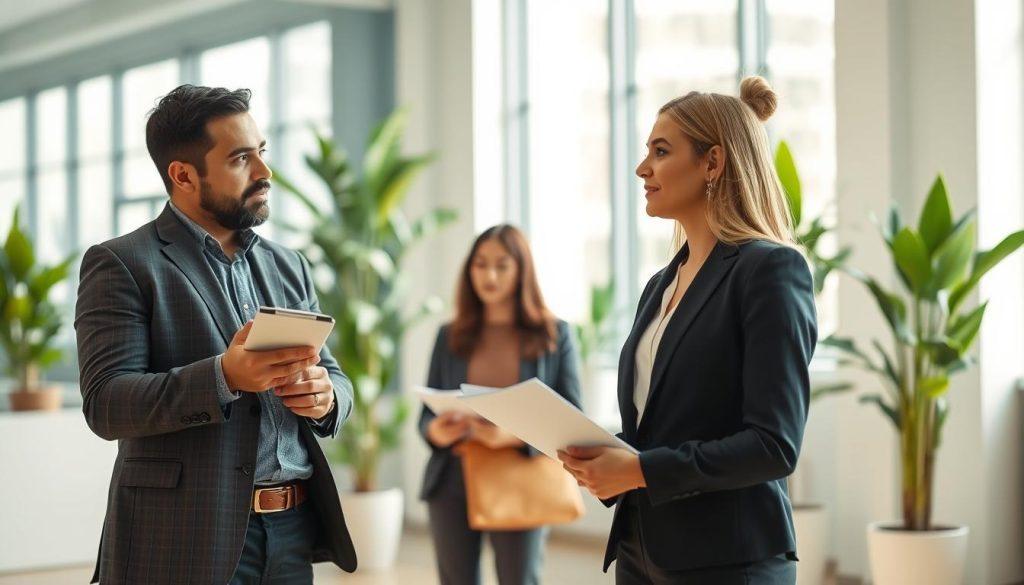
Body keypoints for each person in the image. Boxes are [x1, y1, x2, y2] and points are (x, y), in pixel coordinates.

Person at [75, 84, 356, 585]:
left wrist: (327, 397)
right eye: (241, 159)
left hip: (291, 533)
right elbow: (107, 403)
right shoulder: (121, 263)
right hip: (182, 535)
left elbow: (332, 373)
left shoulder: (288, 265)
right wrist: (224, 375)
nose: (265, 172)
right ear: (183, 175)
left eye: (262, 152)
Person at [557, 76, 818, 584]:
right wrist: (605, 455)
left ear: (713, 163)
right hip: (641, 549)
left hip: (727, 560)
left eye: (660, 151)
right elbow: (664, 425)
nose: (642, 169)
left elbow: (773, 445)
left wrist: (638, 470)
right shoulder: (660, 284)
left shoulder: (770, 270)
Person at [418, 224, 582, 585]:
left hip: (519, 478)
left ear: (522, 269)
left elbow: (571, 422)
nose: (489, 275)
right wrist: (437, 430)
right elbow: (425, 418)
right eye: (480, 264)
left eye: (501, 265)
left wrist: (509, 438)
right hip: (452, 479)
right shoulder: (449, 335)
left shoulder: (555, 335)